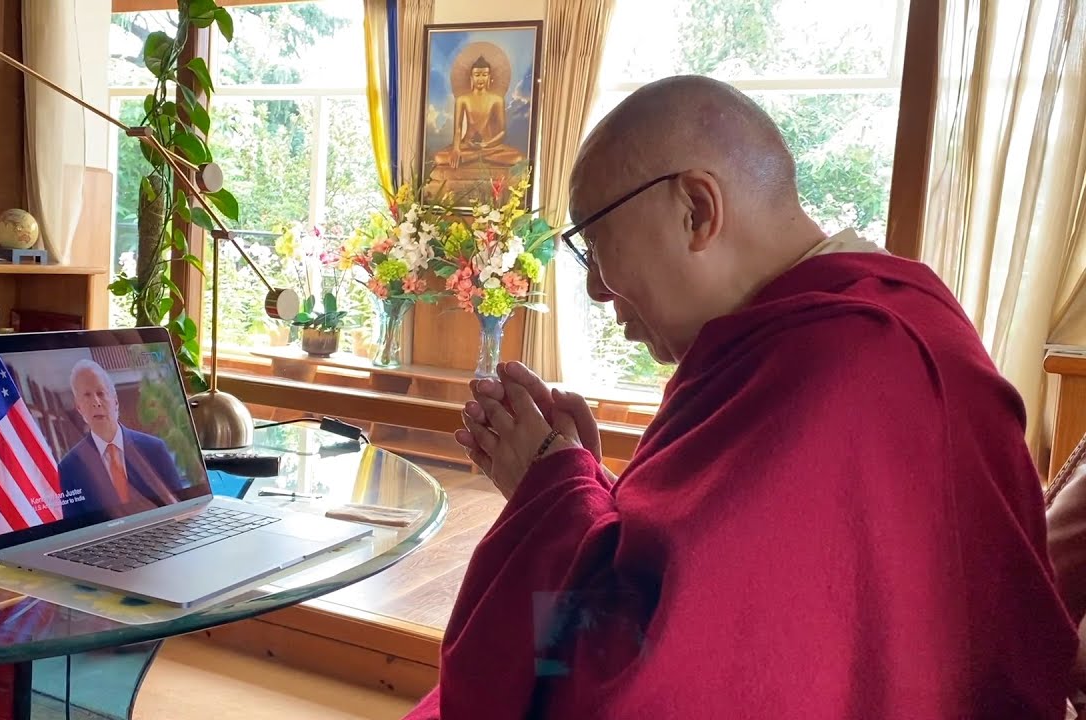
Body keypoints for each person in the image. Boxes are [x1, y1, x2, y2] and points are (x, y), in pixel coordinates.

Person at [404, 75, 1079, 719]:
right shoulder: (878, 313)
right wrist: (584, 481)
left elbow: (643, 684)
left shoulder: (837, 365)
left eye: (594, 246)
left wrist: (548, 490)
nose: (596, 290)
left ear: (698, 210)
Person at [57, 358, 187, 518]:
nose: (96, 402)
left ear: (115, 402)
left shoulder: (155, 448)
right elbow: (75, 529)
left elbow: (181, 507)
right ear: (79, 408)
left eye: (101, 393)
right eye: (87, 395)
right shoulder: (69, 467)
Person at [433, 55, 525, 170]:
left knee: (517, 157)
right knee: (439, 157)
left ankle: (477, 156)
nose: (480, 79)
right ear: (471, 77)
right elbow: (458, 129)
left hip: (490, 146)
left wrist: (487, 145)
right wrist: (456, 149)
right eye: (477, 75)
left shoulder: (497, 100)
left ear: (489, 77)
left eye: (484, 75)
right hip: (466, 145)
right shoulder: (462, 99)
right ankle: (480, 157)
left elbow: (502, 132)